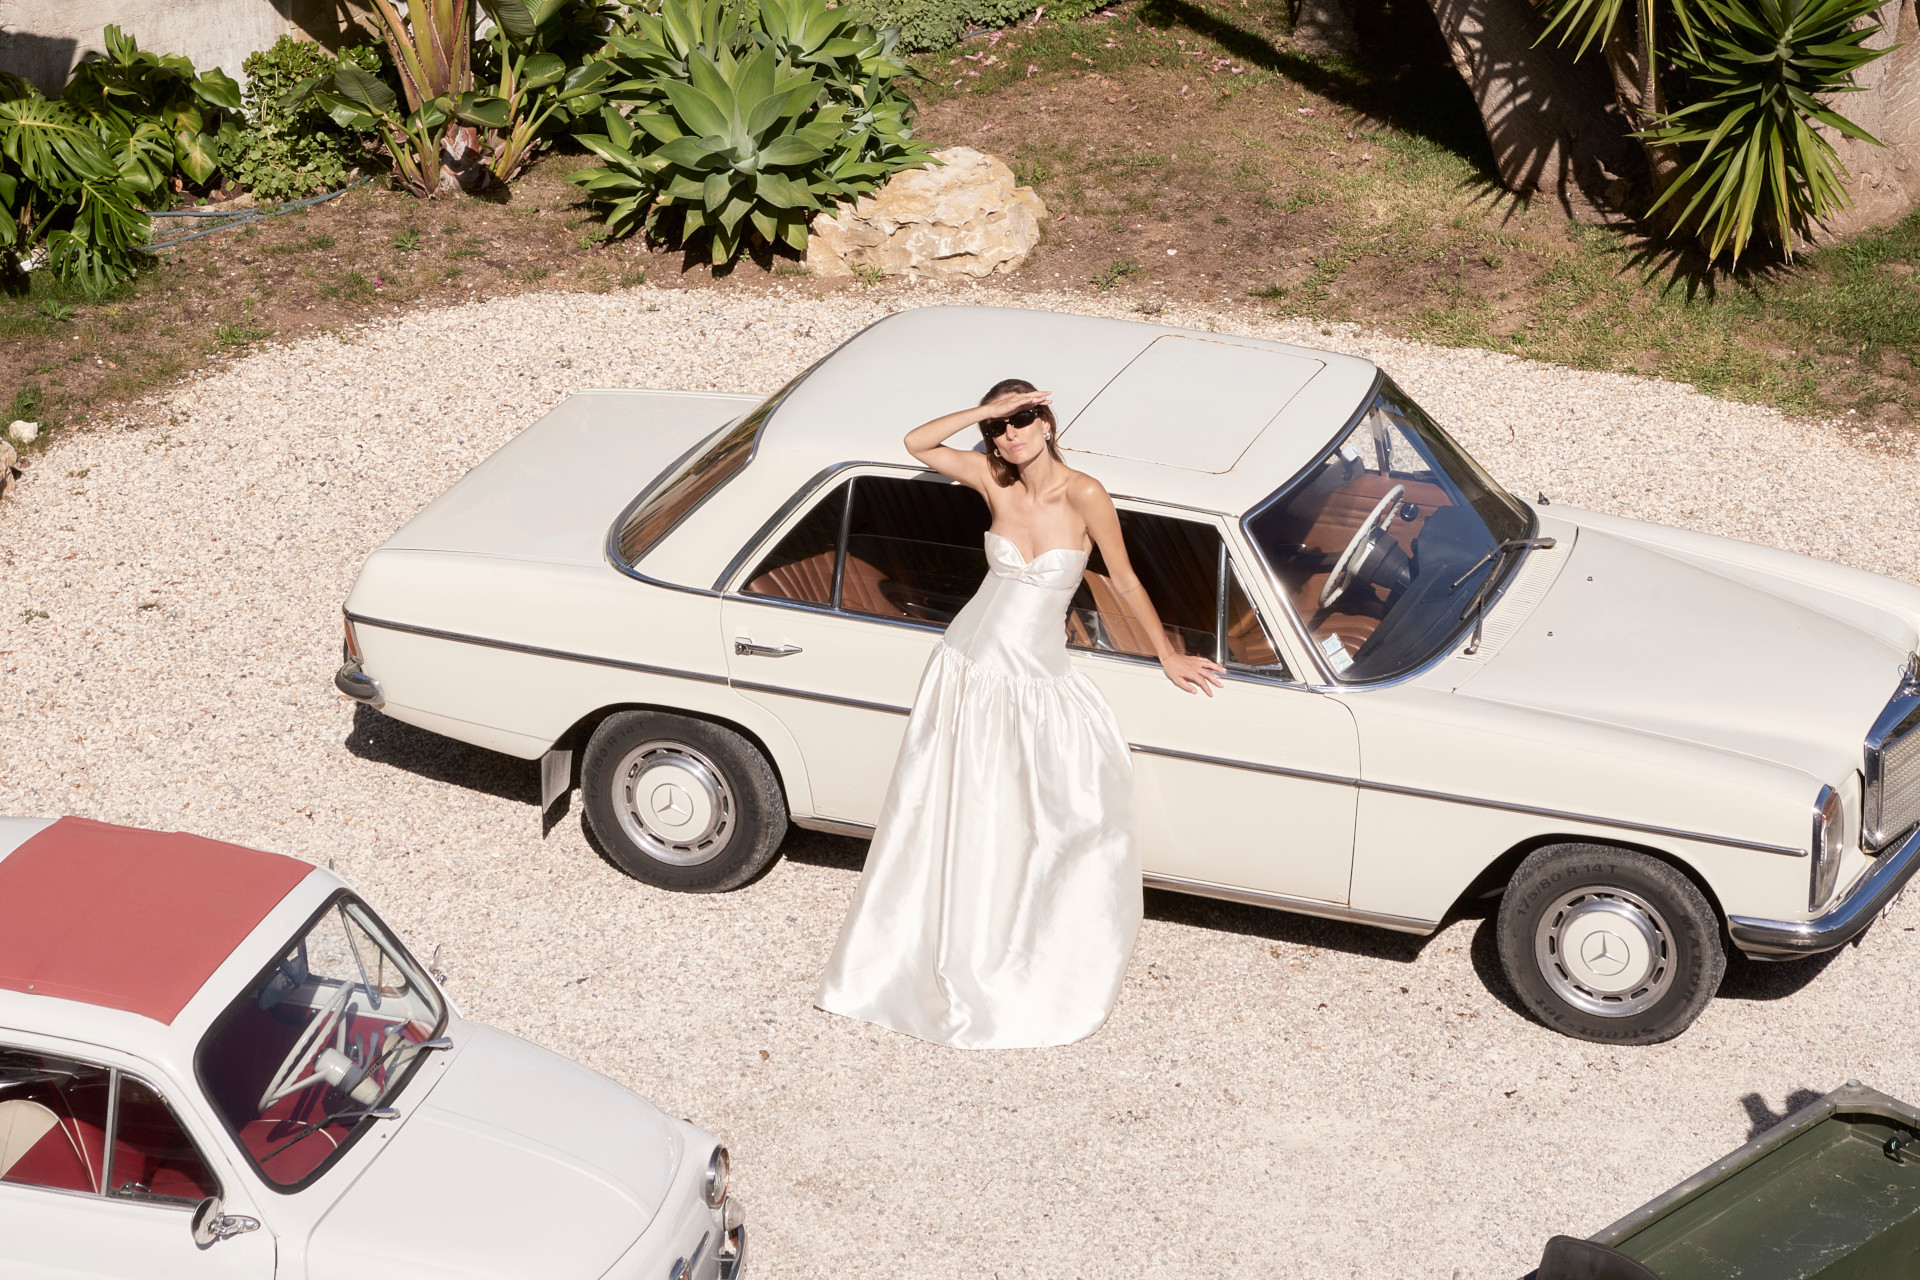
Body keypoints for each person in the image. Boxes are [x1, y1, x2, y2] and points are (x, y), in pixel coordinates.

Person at [814, 378, 1225, 1049]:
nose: (1012, 434)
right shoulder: (990, 479)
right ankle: (935, 937)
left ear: (1049, 420)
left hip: (1032, 674)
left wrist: (1167, 656)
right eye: (1002, 426)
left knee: (1065, 807)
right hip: (966, 669)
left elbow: (1122, 578)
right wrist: (985, 412)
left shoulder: (1085, 493)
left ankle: (1024, 929)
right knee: (955, 807)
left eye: (1025, 418)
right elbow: (917, 443)